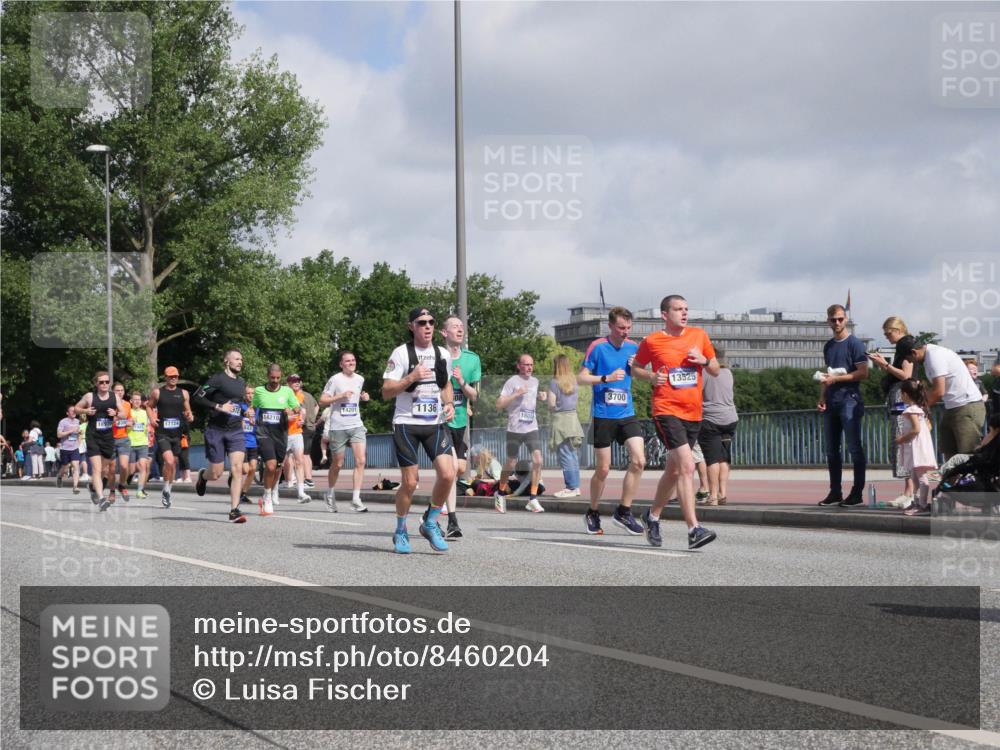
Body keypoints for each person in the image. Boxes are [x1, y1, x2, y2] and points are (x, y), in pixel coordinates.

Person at [633, 294, 718, 549]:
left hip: (693, 413)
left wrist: (704, 360)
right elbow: (635, 368)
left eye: (686, 309)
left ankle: (652, 516)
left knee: (673, 471)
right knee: (687, 467)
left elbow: (715, 369)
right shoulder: (652, 341)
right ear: (664, 314)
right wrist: (651, 377)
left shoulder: (699, 336)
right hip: (666, 410)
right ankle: (693, 529)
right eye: (678, 309)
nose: (684, 313)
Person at [381, 307, 456, 553]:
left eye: (431, 322)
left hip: (434, 423)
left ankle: (430, 522)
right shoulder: (401, 353)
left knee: (448, 474)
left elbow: (445, 384)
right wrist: (411, 377)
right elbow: (386, 391)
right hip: (406, 423)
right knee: (410, 482)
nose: (427, 326)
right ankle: (401, 530)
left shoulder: (442, 353)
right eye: (422, 322)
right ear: (411, 326)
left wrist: (448, 403)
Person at [577, 306, 648, 535]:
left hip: (626, 412)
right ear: (610, 326)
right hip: (603, 414)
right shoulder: (597, 347)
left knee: (639, 461)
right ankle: (593, 511)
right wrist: (605, 378)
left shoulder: (633, 347)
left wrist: (636, 367)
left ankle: (624, 512)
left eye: (628, 327)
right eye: (621, 328)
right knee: (603, 469)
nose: (625, 332)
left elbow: (638, 374)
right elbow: (581, 378)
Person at [430, 315, 481, 539]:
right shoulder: (435, 356)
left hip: (461, 422)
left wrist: (461, 382)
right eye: (455, 327)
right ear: (444, 332)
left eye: (462, 327)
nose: (460, 330)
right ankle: (452, 521)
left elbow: (475, 396)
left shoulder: (472, 359)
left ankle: (429, 513)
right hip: (440, 421)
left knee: (459, 469)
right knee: (450, 468)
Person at [816, 303, 869, 507]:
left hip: (849, 399)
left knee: (854, 447)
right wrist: (822, 396)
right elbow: (828, 374)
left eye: (840, 319)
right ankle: (835, 491)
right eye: (833, 320)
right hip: (832, 400)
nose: (837, 322)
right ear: (828, 321)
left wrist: (837, 379)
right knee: (831, 450)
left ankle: (857, 492)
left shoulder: (855, 344)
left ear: (846, 319)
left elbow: (863, 372)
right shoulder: (829, 346)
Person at [191, 349, 248, 523]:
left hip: (235, 430)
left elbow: (238, 405)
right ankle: (203, 476)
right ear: (227, 361)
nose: (240, 362)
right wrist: (217, 406)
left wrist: (246, 412)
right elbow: (197, 397)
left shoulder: (241, 382)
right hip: (216, 430)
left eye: (241, 359)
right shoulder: (217, 379)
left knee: (237, 469)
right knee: (216, 473)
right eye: (236, 359)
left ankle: (234, 510)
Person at [906, 341, 987, 460]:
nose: (910, 363)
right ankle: (950, 472)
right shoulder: (928, 358)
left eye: (909, 359)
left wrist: (920, 410)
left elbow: (939, 391)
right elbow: (935, 389)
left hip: (967, 405)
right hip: (952, 406)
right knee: (948, 449)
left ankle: (973, 472)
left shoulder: (934, 356)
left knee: (968, 452)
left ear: (914, 352)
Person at [867, 317, 917, 508]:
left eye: (888, 333)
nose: (887, 337)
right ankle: (909, 491)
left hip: (901, 399)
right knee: (903, 442)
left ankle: (909, 492)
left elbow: (906, 375)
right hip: (901, 398)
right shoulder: (905, 344)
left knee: (901, 440)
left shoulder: (905, 344)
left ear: (897, 330)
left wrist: (885, 364)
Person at [319, 351, 370, 513]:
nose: (351, 363)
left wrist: (363, 397)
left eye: (353, 360)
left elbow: (354, 398)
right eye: (347, 361)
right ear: (341, 364)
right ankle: (330, 494)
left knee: (361, 461)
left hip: (356, 424)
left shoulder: (360, 379)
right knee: (338, 464)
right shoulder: (335, 379)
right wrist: (340, 396)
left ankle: (356, 499)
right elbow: (322, 400)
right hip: (338, 427)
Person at [495, 354, 546, 513]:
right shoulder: (512, 382)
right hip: (515, 428)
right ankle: (500, 493)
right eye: (526, 364)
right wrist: (516, 394)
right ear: (518, 366)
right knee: (511, 462)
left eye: (531, 364)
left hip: (531, 427)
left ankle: (533, 499)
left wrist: (540, 396)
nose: (529, 367)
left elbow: (531, 397)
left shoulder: (535, 381)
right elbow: (499, 404)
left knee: (538, 460)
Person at [252, 363, 302, 516]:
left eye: (278, 378)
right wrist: (250, 413)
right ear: (268, 376)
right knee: (271, 465)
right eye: (272, 378)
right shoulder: (259, 391)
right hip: (263, 432)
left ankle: (271, 490)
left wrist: (292, 410)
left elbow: (297, 408)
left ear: (281, 377)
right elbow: (253, 407)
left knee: (278, 467)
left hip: (280, 434)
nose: (275, 381)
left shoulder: (287, 391)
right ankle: (267, 497)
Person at [74, 371, 127, 511]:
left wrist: (116, 413)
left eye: (107, 382)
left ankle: (93, 487)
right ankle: (102, 498)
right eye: (101, 382)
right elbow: (76, 408)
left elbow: (124, 414)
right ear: (96, 383)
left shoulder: (114, 397)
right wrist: (86, 411)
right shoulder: (90, 396)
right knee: (97, 469)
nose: (104, 384)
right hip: (93, 436)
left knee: (104, 469)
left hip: (108, 438)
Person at [147, 366, 194, 508]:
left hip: (177, 434)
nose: (173, 378)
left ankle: (167, 489)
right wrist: (152, 418)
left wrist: (190, 416)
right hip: (162, 433)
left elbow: (188, 411)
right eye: (171, 376)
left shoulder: (184, 393)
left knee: (172, 464)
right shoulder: (157, 392)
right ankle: (166, 488)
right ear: (165, 377)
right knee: (169, 461)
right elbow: (148, 406)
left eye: (176, 376)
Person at [698, 348, 739, 505]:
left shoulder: (705, 373)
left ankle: (713, 496)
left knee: (712, 459)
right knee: (724, 458)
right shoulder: (728, 373)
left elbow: (697, 393)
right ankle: (723, 493)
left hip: (711, 420)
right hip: (730, 419)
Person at [895, 380, 937, 517]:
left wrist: (902, 439)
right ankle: (917, 502)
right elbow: (927, 427)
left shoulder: (911, 410)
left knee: (921, 477)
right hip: (920, 447)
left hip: (917, 448)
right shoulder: (921, 409)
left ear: (906, 395)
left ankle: (922, 505)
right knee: (915, 477)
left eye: (901, 394)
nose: (901, 396)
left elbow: (916, 429)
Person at [546, 353, 584, 498]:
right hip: (573, 419)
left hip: (561, 421)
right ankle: (575, 486)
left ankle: (571, 487)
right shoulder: (574, 382)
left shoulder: (554, 382)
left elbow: (551, 404)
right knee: (572, 455)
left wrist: (545, 398)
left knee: (565, 455)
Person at [281, 374, 312, 502]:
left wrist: (302, 420)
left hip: (296, 432)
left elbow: (302, 410)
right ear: (288, 383)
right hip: (282, 433)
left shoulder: (301, 395)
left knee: (299, 461)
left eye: (298, 381)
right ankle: (273, 492)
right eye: (293, 381)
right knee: (279, 464)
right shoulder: (282, 394)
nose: (297, 383)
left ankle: (301, 492)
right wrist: (286, 417)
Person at [110, 382, 133, 502]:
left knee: (124, 466)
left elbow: (130, 420)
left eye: (122, 390)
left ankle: (122, 485)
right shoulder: (108, 404)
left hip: (123, 438)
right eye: (117, 390)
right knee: (112, 468)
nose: (120, 392)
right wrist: (115, 419)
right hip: (110, 439)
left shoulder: (127, 404)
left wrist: (130, 422)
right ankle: (112, 491)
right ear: (112, 392)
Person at [127, 391, 151, 499]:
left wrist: (149, 429)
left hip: (143, 443)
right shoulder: (128, 412)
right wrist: (130, 424)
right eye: (135, 400)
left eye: (139, 400)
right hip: (130, 443)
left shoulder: (145, 413)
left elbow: (149, 425)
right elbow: (124, 427)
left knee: (143, 466)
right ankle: (129, 475)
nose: (137, 401)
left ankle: (139, 491)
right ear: (131, 401)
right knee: (132, 469)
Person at [238, 384, 258, 505]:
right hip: (242, 441)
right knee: (245, 470)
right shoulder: (241, 406)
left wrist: (255, 422)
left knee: (253, 468)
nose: (250, 395)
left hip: (254, 442)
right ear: (244, 395)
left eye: (252, 393)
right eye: (248, 393)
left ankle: (243, 493)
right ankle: (234, 477)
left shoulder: (258, 408)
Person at [56, 404, 82, 493]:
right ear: (67, 413)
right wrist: (70, 431)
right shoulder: (63, 422)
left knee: (76, 466)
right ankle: (59, 476)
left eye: (75, 411)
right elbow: (59, 435)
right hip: (65, 448)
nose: (74, 412)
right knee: (65, 467)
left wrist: (79, 443)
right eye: (72, 411)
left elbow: (80, 433)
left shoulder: (78, 421)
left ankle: (75, 487)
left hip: (74, 448)